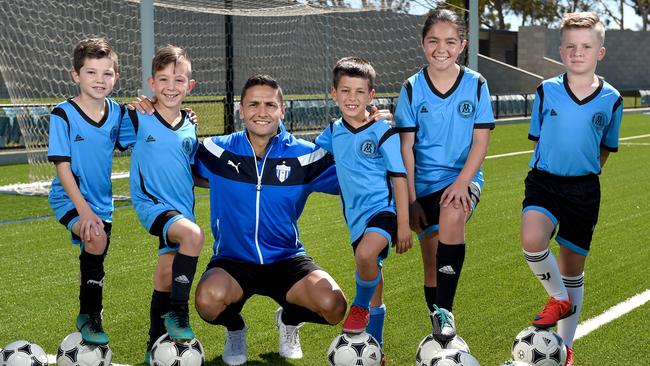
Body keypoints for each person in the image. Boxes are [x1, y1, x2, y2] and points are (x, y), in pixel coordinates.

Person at [519, 12, 622, 366]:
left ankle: (565, 348)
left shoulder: (612, 99)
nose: (579, 53)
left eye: (587, 46)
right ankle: (558, 297)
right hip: (544, 182)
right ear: (562, 51)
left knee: (572, 268)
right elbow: (538, 140)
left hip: (583, 191)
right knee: (532, 240)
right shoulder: (546, 91)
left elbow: (606, 147)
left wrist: (586, 172)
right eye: (572, 47)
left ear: (600, 52)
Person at [394, 9, 494, 340]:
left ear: (463, 45)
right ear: (423, 43)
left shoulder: (476, 85)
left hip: (462, 177)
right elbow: (405, 148)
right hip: (421, 185)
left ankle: (445, 314)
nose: (442, 48)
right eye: (434, 40)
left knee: (454, 210)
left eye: (451, 41)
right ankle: (438, 327)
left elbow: (481, 142)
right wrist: (410, 201)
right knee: (431, 261)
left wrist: (463, 182)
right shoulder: (410, 89)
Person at [314, 57, 411, 362]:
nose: (351, 98)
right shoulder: (332, 131)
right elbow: (311, 153)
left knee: (366, 256)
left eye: (359, 92)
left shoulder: (382, 129)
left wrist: (404, 224)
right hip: (355, 219)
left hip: (386, 210)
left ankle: (357, 307)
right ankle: (377, 350)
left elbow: (399, 177)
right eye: (345, 91)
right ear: (334, 93)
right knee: (376, 286)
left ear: (371, 96)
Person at [118, 45, 203, 362]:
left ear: (189, 86)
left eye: (179, 80)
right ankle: (179, 314)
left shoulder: (190, 123)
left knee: (166, 276)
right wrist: (128, 107)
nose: (171, 86)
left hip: (182, 210)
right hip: (152, 205)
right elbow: (106, 130)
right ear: (151, 83)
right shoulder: (137, 117)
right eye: (163, 79)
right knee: (193, 236)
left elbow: (190, 167)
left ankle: (154, 348)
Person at [47, 37, 123, 346]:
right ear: (75, 75)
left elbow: (144, 134)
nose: (100, 80)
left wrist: (183, 116)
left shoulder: (117, 113)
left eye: (107, 73)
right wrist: (84, 210)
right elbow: (62, 168)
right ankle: (90, 314)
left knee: (94, 258)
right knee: (94, 237)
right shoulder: (62, 114)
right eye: (91, 72)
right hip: (69, 197)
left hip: (102, 202)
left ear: (116, 77)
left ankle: (89, 310)